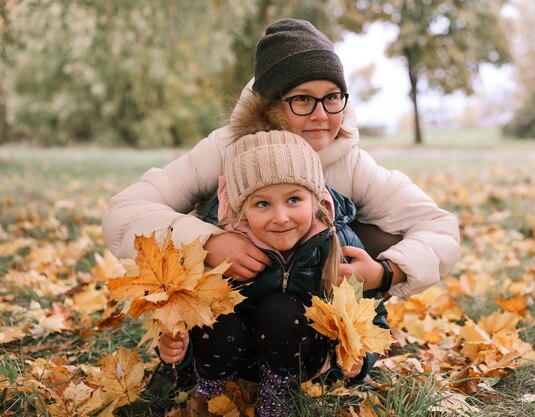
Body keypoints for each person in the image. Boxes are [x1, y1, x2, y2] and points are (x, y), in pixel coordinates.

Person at [102, 16, 460, 406]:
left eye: (332, 96)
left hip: (304, 309)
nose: (321, 114)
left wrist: (386, 271)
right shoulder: (225, 149)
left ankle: (329, 352)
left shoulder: (350, 162)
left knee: (367, 230)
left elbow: (439, 227)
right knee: (200, 224)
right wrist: (209, 241)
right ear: (270, 103)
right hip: (232, 304)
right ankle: (205, 362)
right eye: (302, 99)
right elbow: (124, 213)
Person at [157, 130, 389, 416]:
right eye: (263, 204)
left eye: (294, 199)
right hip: (235, 357)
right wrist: (176, 349)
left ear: (316, 198)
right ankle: (213, 392)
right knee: (218, 312)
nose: (281, 217)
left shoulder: (338, 244)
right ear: (241, 209)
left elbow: (370, 316)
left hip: (302, 359)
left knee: (281, 308)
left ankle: (279, 397)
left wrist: (360, 358)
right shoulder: (220, 245)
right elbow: (184, 315)